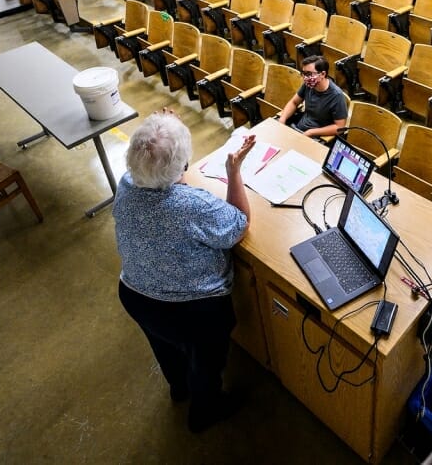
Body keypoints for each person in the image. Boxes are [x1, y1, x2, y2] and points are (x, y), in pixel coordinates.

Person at [114, 110, 254, 433]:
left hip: (135, 292)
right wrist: (234, 171)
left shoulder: (125, 184)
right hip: (192, 310)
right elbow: (238, 224)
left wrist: (164, 136)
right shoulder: (192, 205)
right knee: (206, 363)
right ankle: (205, 411)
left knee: (165, 347)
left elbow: (161, 177)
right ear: (182, 168)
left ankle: (179, 389)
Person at [278, 55, 349, 137]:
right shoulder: (308, 85)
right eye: (303, 73)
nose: (305, 77)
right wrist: (282, 119)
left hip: (317, 137)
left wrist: (311, 132)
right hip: (300, 129)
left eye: (308, 74)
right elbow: (294, 102)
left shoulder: (337, 96)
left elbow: (339, 127)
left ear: (322, 74)